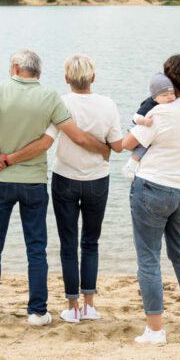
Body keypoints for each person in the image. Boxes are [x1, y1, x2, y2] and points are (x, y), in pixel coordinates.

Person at [0, 50, 110, 327]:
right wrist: (106, 150)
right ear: (37, 72)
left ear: (15, 67)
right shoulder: (50, 97)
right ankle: (37, 311)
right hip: (33, 183)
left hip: (0, 181)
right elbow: (57, 140)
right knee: (36, 248)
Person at [122, 54, 180, 345]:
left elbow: (127, 144)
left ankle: (155, 330)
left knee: (148, 259)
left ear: (168, 82)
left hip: (154, 188)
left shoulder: (161, 113)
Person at [41, 55, 123, 323]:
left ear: (66, 79)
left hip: (64, 177)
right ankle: (89, 304)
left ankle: (72, 306)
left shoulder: (60, 103)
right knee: (91, 241)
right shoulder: (108, 104)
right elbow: (117, 144)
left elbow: (49, 139)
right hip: (97, 179)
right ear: (93, 78)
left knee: (68, 243)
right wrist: (103, 149)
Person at [121, 73, 176, 179]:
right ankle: (130, 166)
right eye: (165, 95)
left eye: (172, 93)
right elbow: (136, 116)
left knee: (147, 146)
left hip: (145, 125)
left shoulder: (166, 103)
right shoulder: (149, 104)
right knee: (143, 146)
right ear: (155, 97)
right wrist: (144, 121)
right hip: (136, 124)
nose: (169, 97)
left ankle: (135, 166)